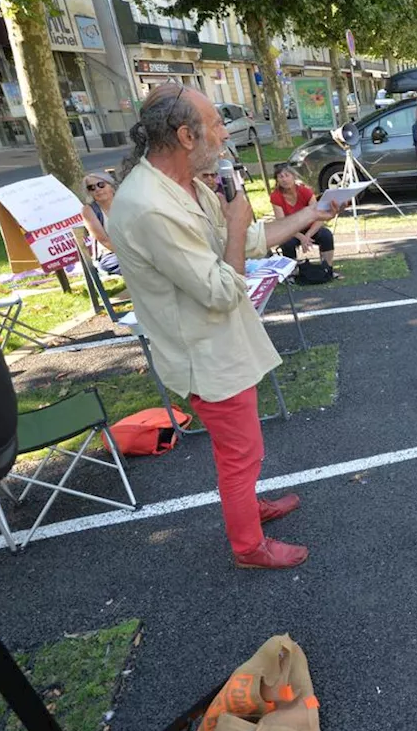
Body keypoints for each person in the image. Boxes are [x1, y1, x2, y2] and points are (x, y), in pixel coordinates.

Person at [108, 83, 343, 570]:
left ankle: (249, 510)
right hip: (204, 351)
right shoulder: (150, 206)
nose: (223, 134)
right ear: (184, 136)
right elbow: (219, 286)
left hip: (220, 343)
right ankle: (248, 546)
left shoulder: (182, 186)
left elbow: (249, 241)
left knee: (242, 449)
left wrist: (311, 213)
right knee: (241, 453)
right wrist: (236, 226)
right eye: (215, 124)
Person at [270, 165, 337, 272]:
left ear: (293, 176)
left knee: (326, 235)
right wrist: (301, 237)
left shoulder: (305, 191)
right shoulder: (275, 196)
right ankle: (292, 272)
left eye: (287, 175)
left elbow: (319, 216)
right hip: (290, 229)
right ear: (277, 180)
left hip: (309, 227)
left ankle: (328, 268)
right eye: (280, 177)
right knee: (286, 242)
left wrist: (308, 235)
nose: (284, 179)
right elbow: (281, 224)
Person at [80, 172, 121, 274]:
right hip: (111, 254)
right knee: (137, 264)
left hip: (138, 248)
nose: (97, 189)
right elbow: (105, 241)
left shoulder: (126, 201)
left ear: (111, 186)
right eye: (91, 188)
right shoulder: (89, 210)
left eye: (101, 185)